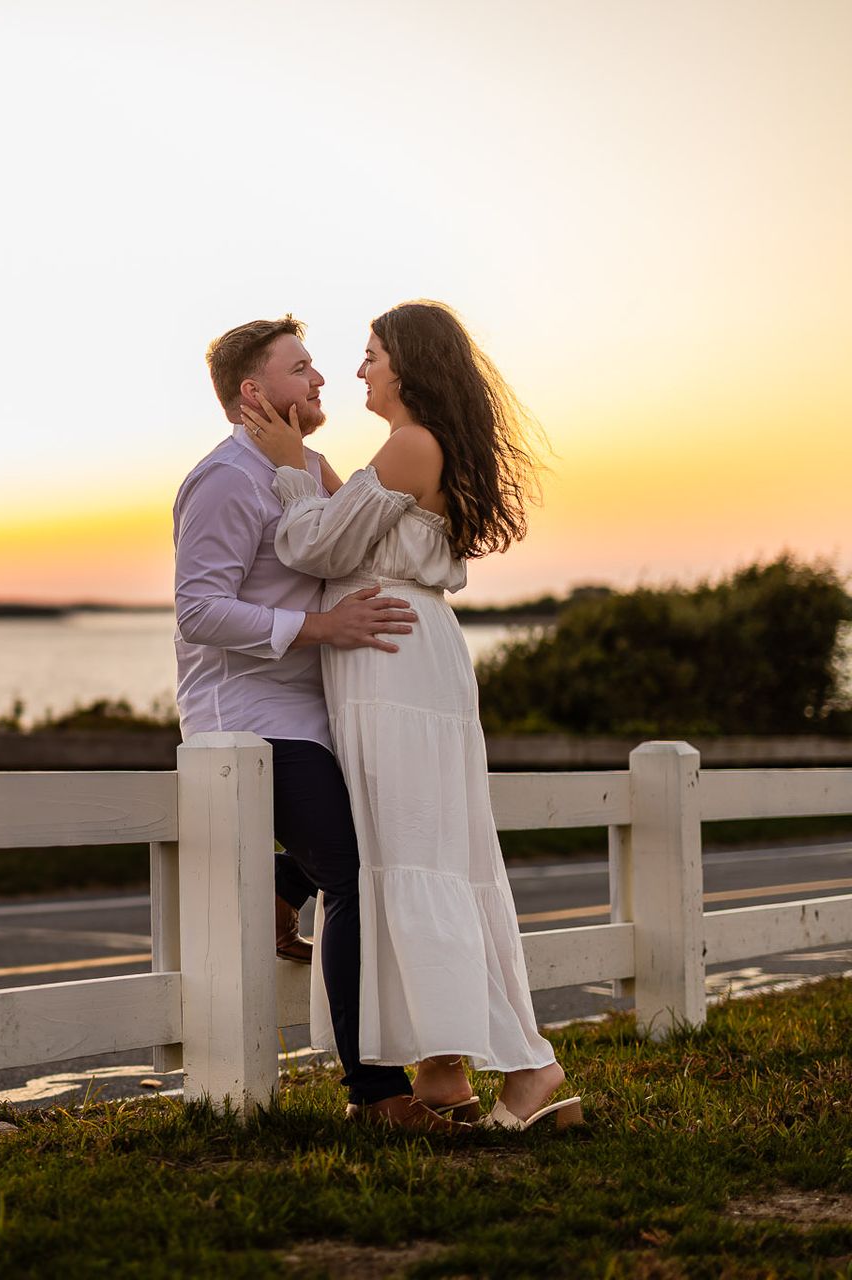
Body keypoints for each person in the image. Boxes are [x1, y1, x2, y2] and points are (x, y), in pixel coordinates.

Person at [241, 300, 580, 1130]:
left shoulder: (411, 443)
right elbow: (351, 525)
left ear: (409, 365)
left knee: (413, 853)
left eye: (372, 354)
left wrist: (290, 469)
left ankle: (531, 1067)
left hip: (394, 662)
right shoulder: (411, 448)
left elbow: (315, 546)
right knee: (413, 851)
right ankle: (440, 1073)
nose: (359, 369)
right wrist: (314, 470)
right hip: (397, 655)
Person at [175, 315, 465, 1132]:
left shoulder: (306, 467)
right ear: (254, 391)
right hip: (251, 720)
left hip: (321, 710)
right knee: (355, 875)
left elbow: (354, 547)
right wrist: (321, 628)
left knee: (381, 840)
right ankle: (376, 1096)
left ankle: (281, 888)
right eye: (301, 368)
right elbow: (199, 610)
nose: (322, 379)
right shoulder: (224, 479)